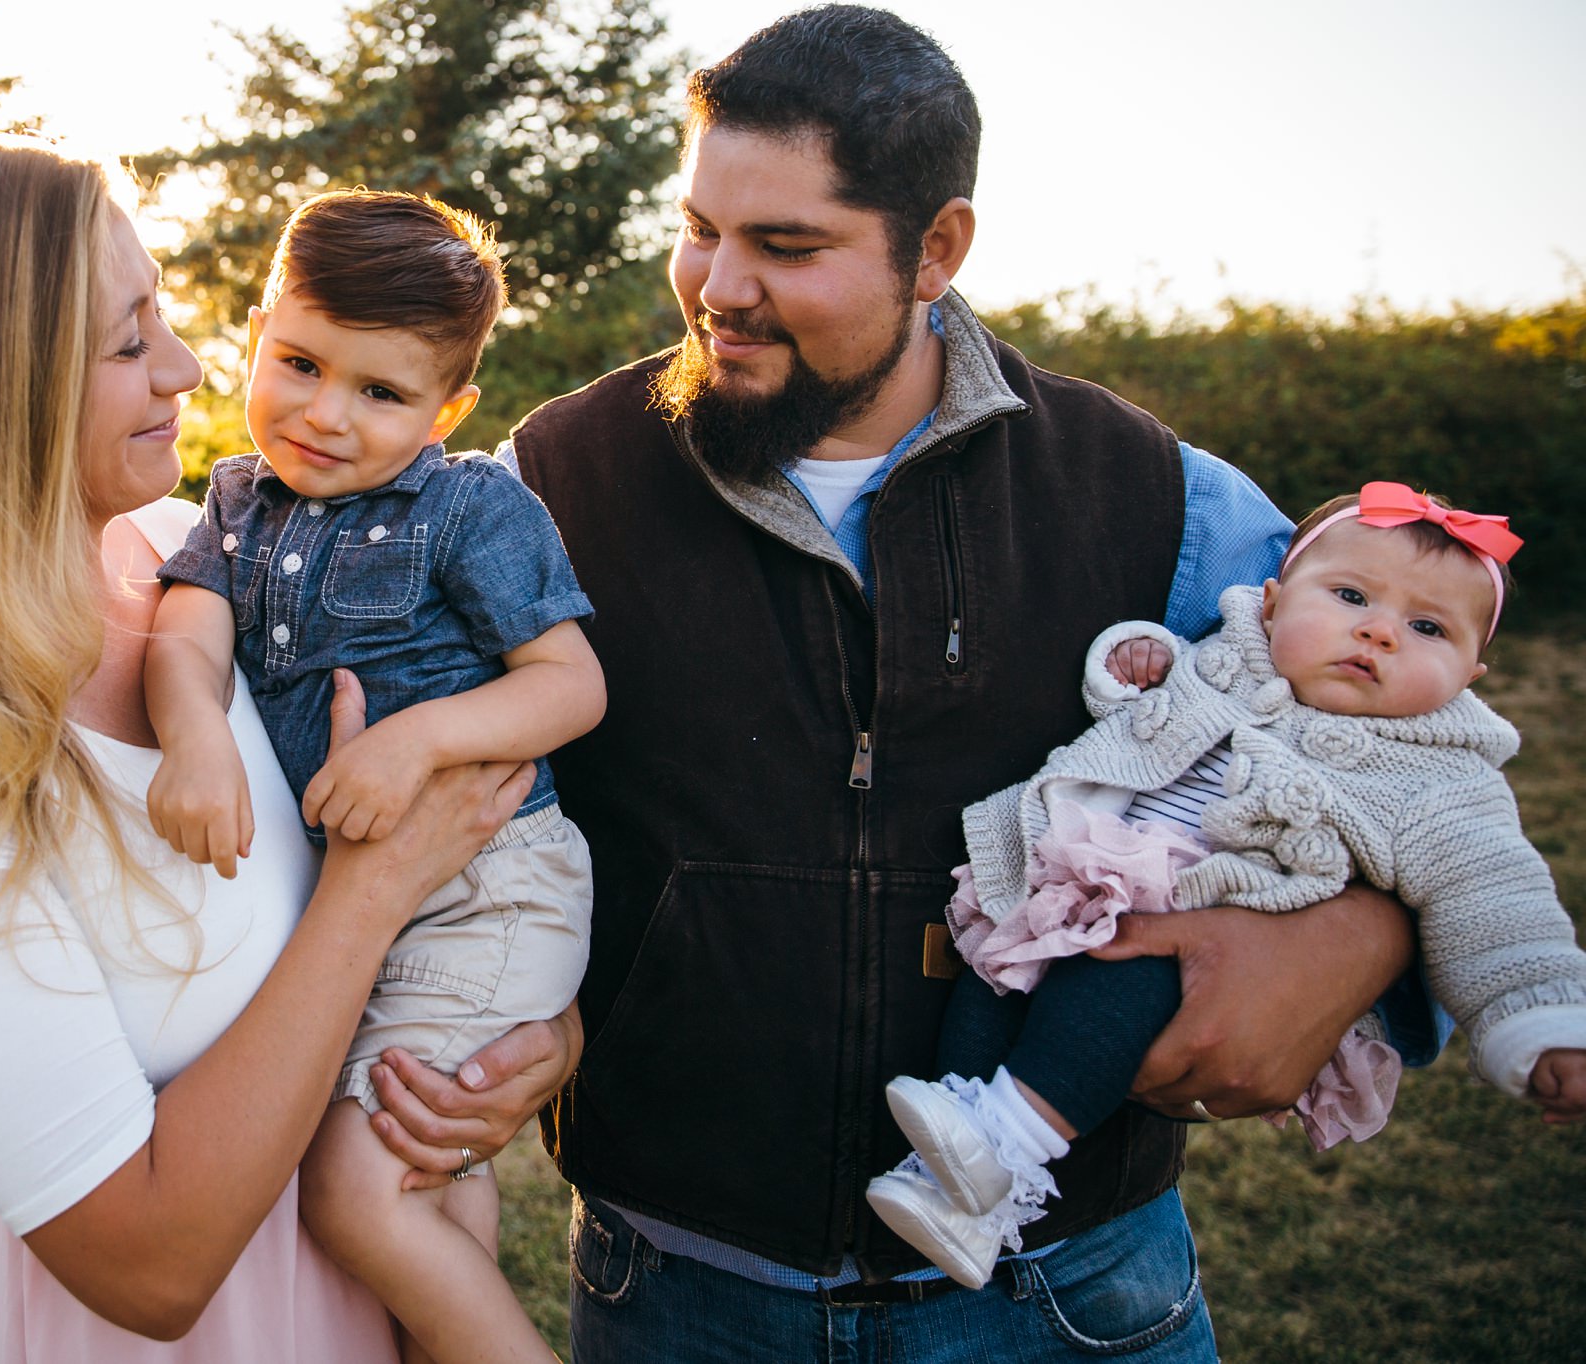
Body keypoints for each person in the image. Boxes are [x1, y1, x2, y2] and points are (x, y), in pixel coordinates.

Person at [505, 7, 1432, 1360]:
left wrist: (1371, 944)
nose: (717, 286)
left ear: (937, 249)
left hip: (1071, 1296)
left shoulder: (1161, 497)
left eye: (787, 245)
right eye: (701, 226)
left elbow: (1427, 758)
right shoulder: (550, 484)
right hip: (682, 1294)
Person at [0, 135, 576, 1361]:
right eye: (127, 340)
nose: (189, 364)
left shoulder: (202, 555)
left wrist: (530, 1041)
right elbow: (144, 1265)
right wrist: (374, 893)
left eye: (163, 313)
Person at [868, 483, 1586, 1286]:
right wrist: (1131, 659)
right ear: (1273, 605)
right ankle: (969, 1197)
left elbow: (1498, 901)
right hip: (1082, 881)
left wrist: (1543, 1023)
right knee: (991, 983)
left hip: (1201, 926)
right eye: (1350, 597)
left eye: (1428, 629)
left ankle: (1011, 1140)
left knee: (1104, 997)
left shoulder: (1436, 782)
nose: (1379, 631)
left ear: (1470, 673)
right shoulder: (1231, 659)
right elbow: (1140, 687)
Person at [144, 188, 601, 1364]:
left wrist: (418, 737)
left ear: (448, 407)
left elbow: (568, 684)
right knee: (417, 1176)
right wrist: (193, 734)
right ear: (255, 332)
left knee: (351, 1187)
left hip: (488, 880)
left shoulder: (468, 506)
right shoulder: (236, 502)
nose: (324, 414)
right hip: (369, 903)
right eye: (298, 362)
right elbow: (185, 635)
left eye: (381, 392)